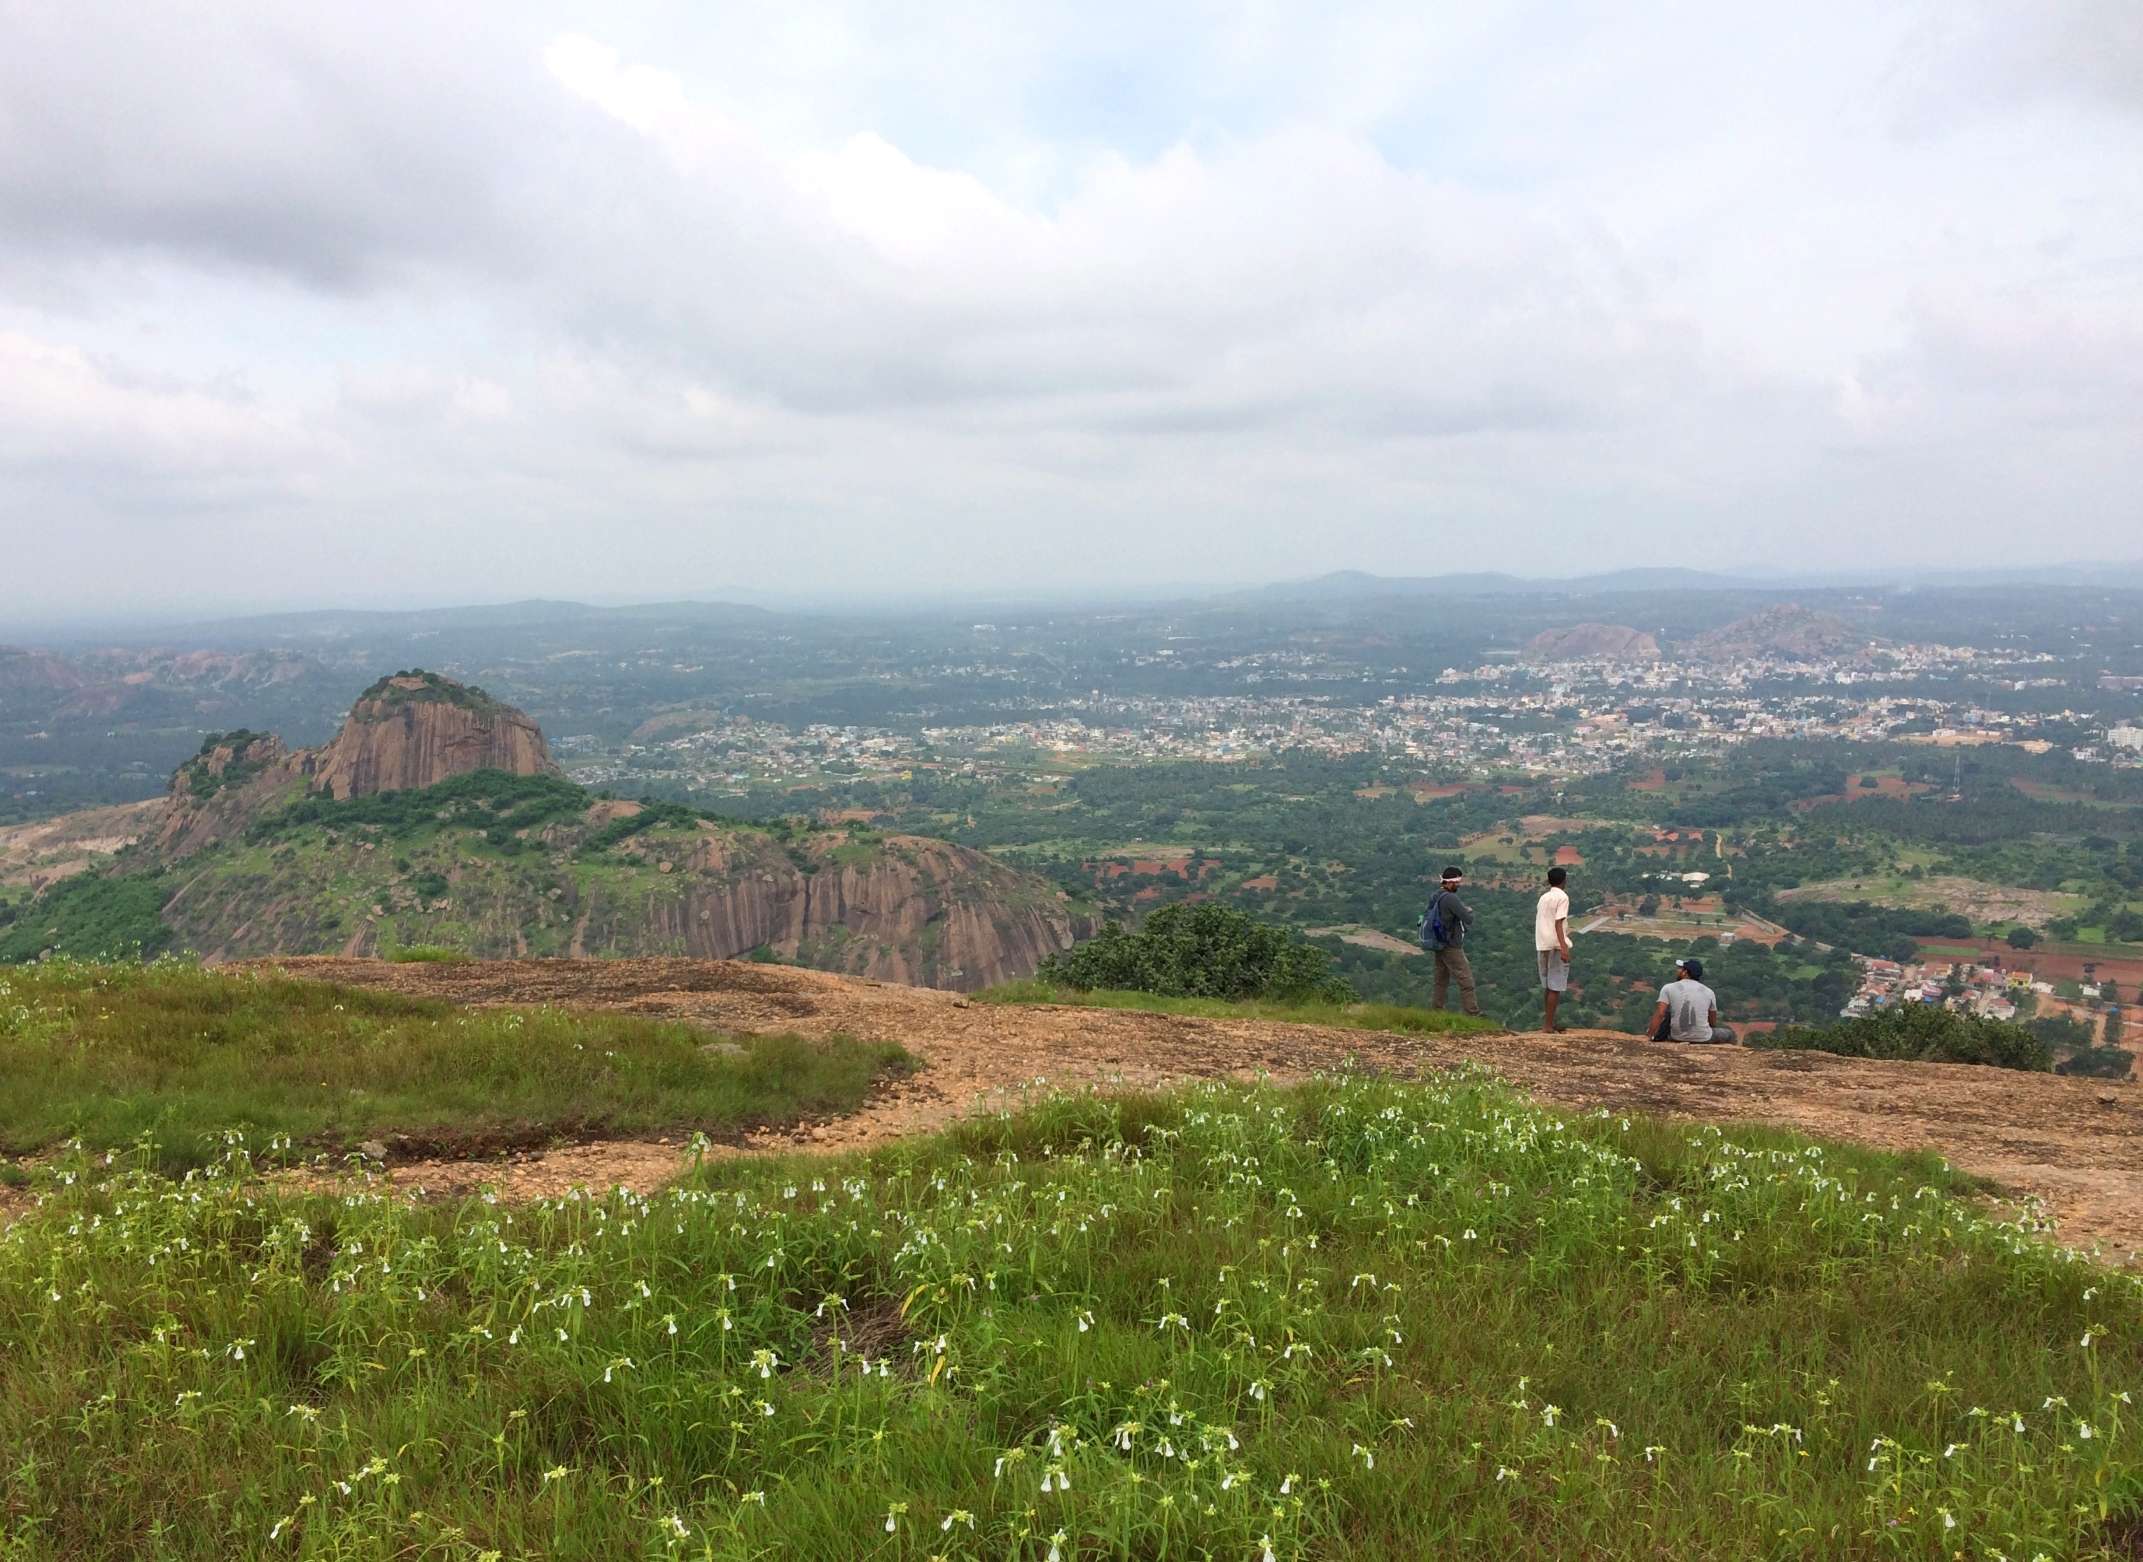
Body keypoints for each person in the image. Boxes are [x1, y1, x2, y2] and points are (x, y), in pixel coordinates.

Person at [1420, 865, 1480, 1016]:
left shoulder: (1436, 895)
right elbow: (1468, 919)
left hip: (1438, 942)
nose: (1458, 885)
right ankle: (1472, 1013)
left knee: (1441, 979)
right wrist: (1467, 910)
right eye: (1457, 882)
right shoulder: (1451, 898)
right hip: (1451, 945)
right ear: (1450, 882)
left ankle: (1437, 1010)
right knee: (1466, 981)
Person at [1650, 956, 1736, 1044]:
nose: (1677, 970)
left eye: (1680, 969)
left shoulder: (1668, 988)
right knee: (1730, 1034)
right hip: (1703, 1037)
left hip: (1676, 1036)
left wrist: (1651, 1035)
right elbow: (1712, 1021)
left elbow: (1660, 1014)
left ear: (1685, 972)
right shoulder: (1709, 992)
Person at [1535, 865, 1572, 1032]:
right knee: (1555, 986)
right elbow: (1558, 923)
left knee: (1549, 986)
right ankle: (1548, 1025)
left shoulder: (1543, 897)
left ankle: (1548, 1022)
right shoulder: (1563, 897)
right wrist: (1563, 947)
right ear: (1564, 880)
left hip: (1542, 943)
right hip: (1556, 944)